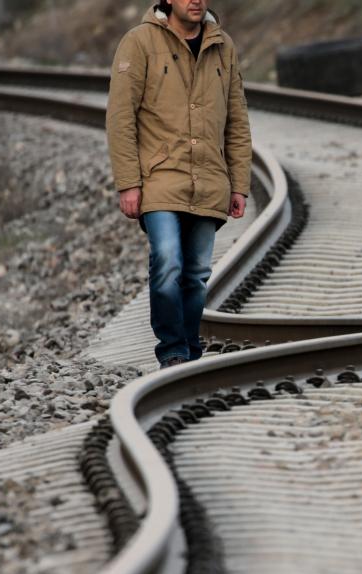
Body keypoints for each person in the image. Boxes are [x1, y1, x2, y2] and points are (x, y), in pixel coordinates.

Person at [106, 0, 252, 368]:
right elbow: (120, 118)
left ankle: (189, 350)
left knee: (197, 273)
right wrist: (128, 183)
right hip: (158, 179)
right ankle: (172, 349)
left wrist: (239, 184)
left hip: (209, 180)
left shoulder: (223, 46)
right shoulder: (139, 43)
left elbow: (237, 121)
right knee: (168, 260)